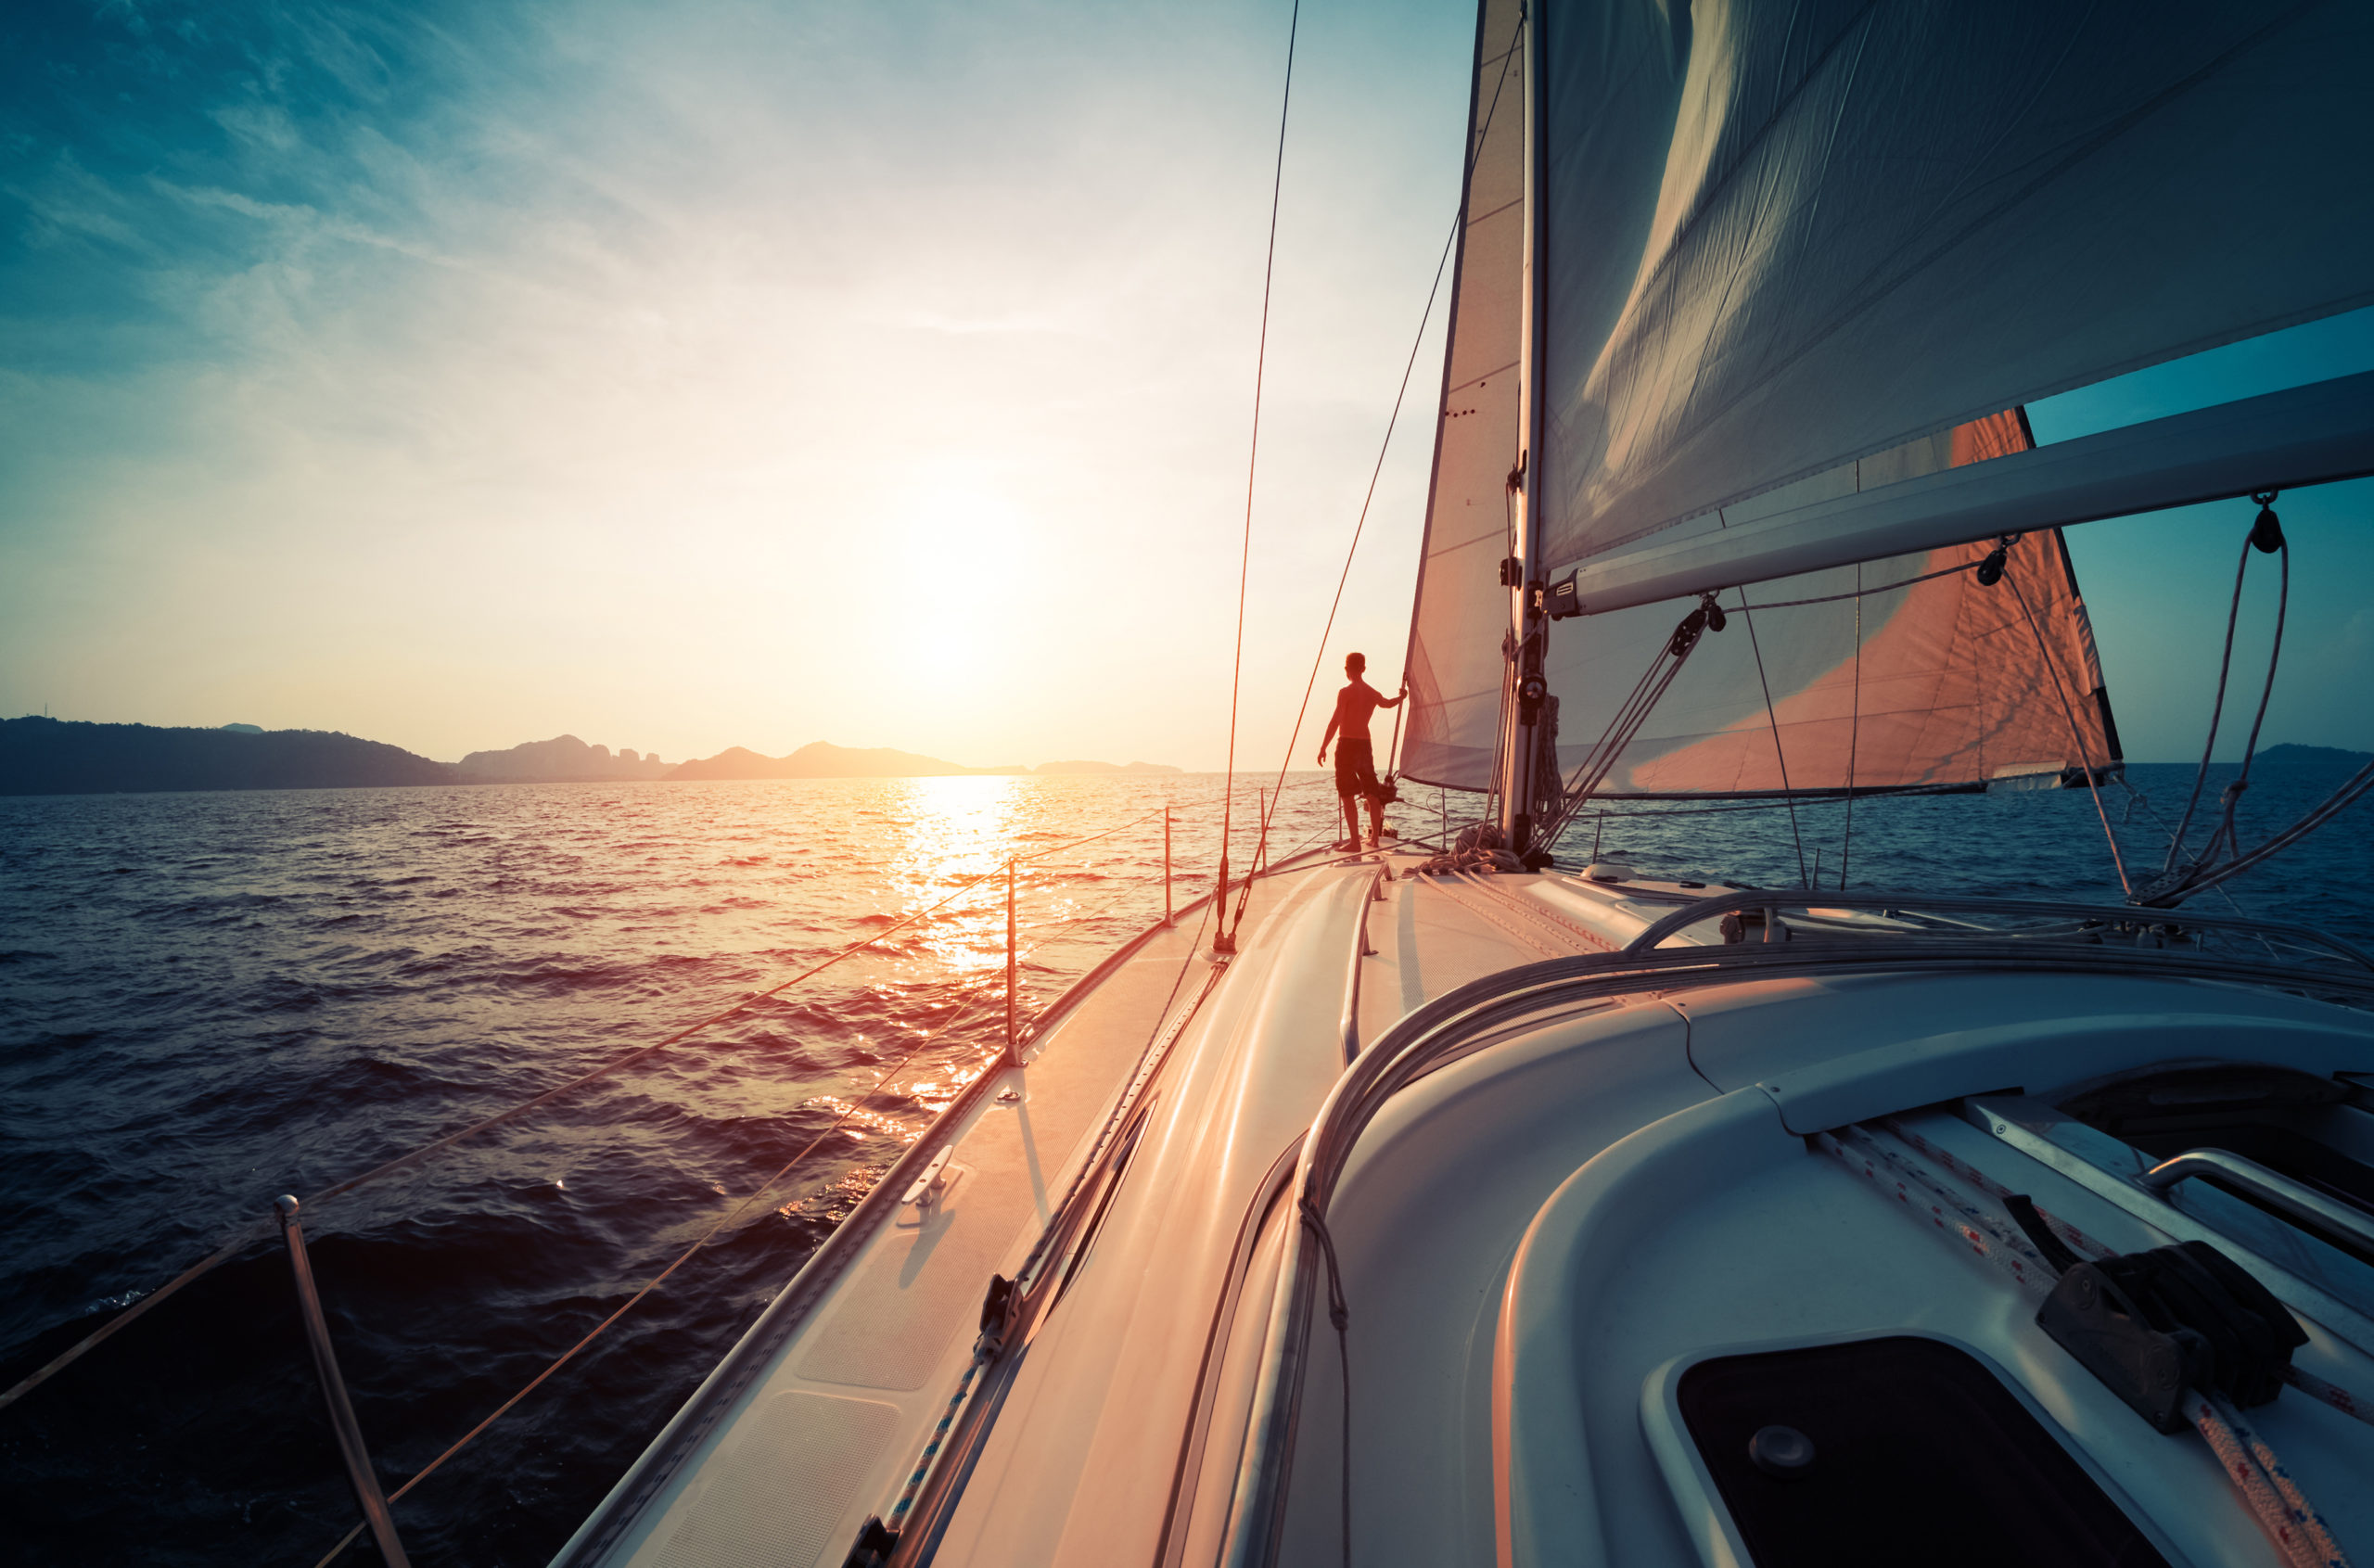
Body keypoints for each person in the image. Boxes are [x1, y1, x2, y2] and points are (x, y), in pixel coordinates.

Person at [1316, 652, 1406, 850]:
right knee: (1372, 794)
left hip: (1347, 744)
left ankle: (1355, 842)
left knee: (1347, 795)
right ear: (1363, 669)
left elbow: (1335, 721)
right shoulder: (1372, 693)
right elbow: (1388, 704)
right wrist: (1402, 697)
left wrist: (1323, 747)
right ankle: (1374, 839)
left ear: (1347, 669)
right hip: (1365, 745)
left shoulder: (1345, 692)